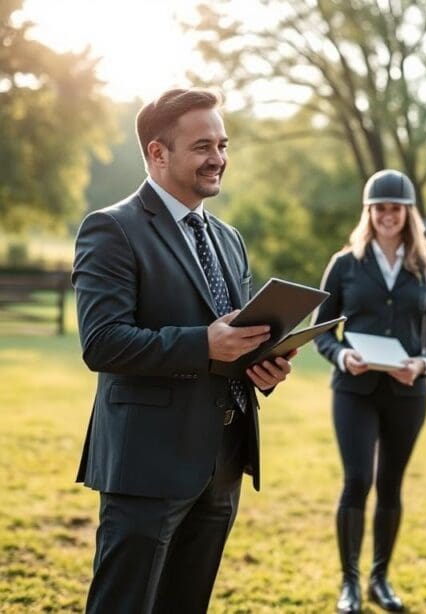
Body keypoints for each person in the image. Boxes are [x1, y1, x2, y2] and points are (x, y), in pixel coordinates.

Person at [72, 88, 294, 613]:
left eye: (222, 144)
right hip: (146, 464)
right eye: (202, 146)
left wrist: (263, 364)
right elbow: (102, 342)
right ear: (158, 153)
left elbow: (233, 338)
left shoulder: (229, 238)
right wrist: (204, 345)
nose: (218, 158)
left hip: (223, 463)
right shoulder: (112, 229)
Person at [313, 169, 426, 613]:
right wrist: (340, 356)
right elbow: (320, 330)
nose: (388, 216)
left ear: (407, 213)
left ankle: (380, 578)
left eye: (395, 208)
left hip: (408, 394)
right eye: (380, 208)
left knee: (391, 485)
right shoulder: (344, 264)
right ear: (369, 212)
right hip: (354, 390)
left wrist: (425, 362)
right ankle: (350, 584)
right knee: (358, 480)